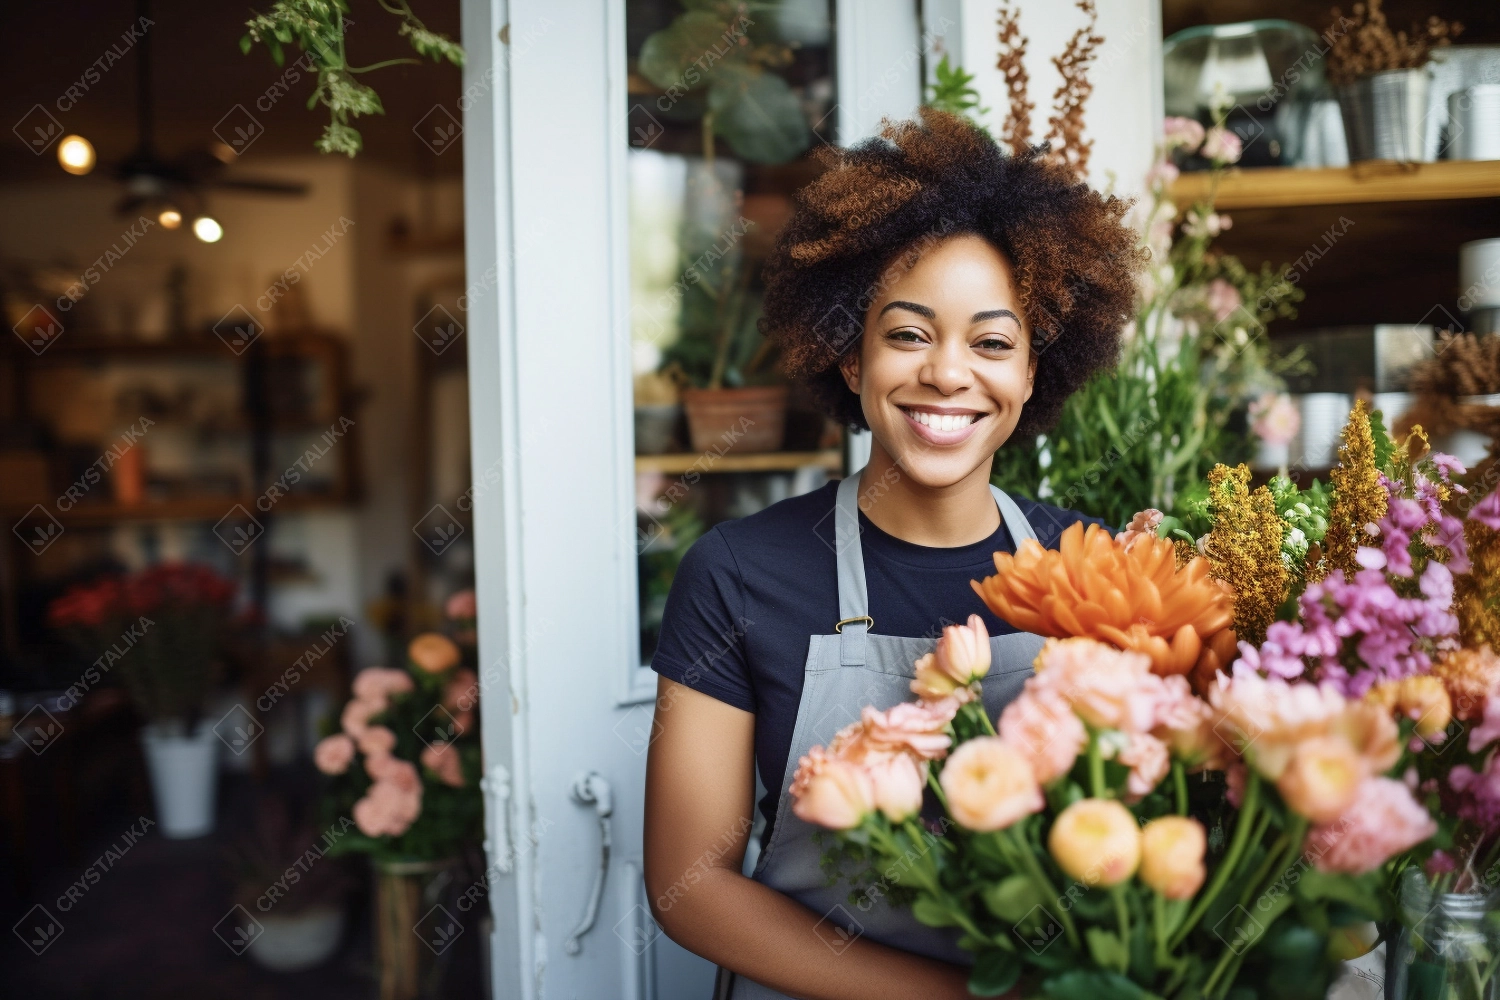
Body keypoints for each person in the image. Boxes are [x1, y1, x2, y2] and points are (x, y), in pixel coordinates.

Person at [644, 108, 1145, 1000]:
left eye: (992, 342)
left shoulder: (1092, 565)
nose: (948, 373)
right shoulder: (735, 572)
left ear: (1034, 372)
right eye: (908, 333)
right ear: (851, 355)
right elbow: (691, 888)